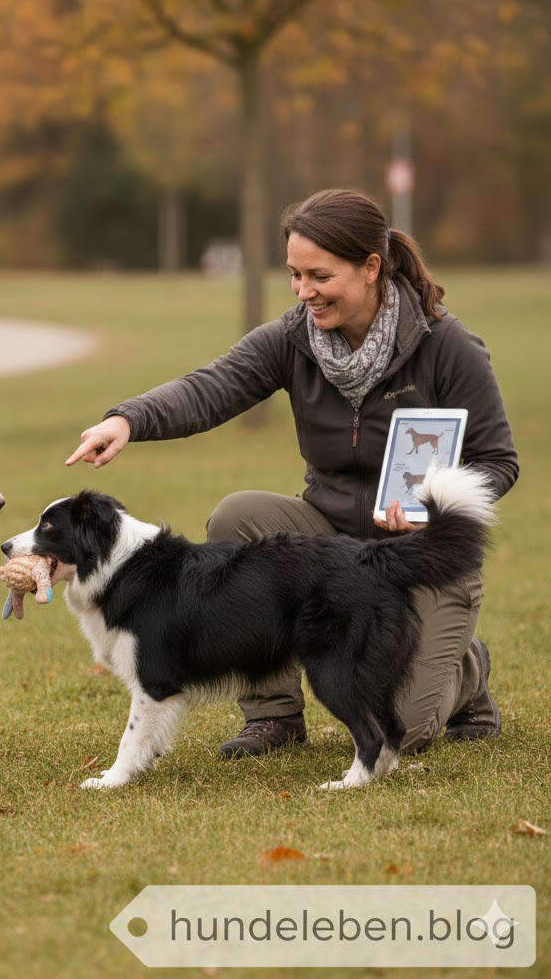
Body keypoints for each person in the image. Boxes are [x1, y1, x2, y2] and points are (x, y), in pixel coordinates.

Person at [66, 188, 518, 760]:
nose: (304, 292)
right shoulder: (293, 337)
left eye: (320, 276)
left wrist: (430, 514)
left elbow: (498, 461)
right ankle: (273, 715)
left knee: (404, 725)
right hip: (328, 542)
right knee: (238, 515)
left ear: (371, 268)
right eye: (295, 275)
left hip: (421, 556)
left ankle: (467, 669)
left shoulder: (448, 345)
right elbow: (211, 387)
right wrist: (128, 419)